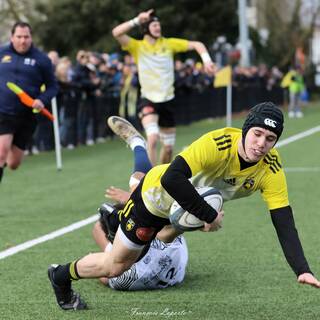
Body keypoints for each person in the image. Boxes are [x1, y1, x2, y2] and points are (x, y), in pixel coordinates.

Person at [48, 102, 320, 311]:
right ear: (246, 129)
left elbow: (283, 220)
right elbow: (171, 178)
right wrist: (209, 215)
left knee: (165, 236)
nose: (261, 144)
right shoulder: (218, 142)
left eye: (270, 139)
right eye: (257, 134)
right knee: (115, 266)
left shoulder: (271, 168)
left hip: (187, 206)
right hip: (157, 198)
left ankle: (133, 164)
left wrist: (302, 269)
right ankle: (61, 274)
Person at [92, 116, 188, 292]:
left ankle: (138, 143)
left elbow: (104, 274)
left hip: (174, 266)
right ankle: (137, 144)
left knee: (99, 228)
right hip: (173, 252)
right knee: (140, 183)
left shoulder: (122, 277)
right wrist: (131, 198)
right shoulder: (165, 238)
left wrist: (106, 252)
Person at [112, 9, 216, 165]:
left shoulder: (168, 44)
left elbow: (197, 44)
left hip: (168, 100)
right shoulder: (137, 46)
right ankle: (150, 180)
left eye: (159, 26)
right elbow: (116, 33)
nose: (158, 28)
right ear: (146, 28)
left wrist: (207, 61)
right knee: (152, 139)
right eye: (154, 25)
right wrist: (136, 20)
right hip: (148, 99)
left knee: (168, 149)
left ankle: (161, 178)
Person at [0, 22, 58, 183]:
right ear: (12, 37)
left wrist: (42, 100)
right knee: (1, 153)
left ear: (31, 38)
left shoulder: (42, 59)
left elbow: (53, 86)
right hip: (3, 112)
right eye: (19, 37)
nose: (22, 41)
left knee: (13, 163)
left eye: (26, 37)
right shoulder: (1, 53)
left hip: (26, 116)